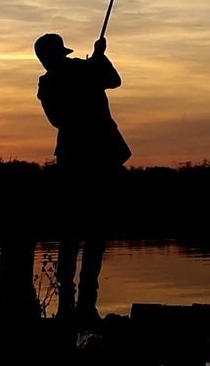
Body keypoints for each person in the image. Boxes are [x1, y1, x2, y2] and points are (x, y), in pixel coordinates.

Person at [34, 32, 130, 321]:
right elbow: (111, 81)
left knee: (79, 231)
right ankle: (80, 300)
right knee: (87, 232)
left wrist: (98, 58)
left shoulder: (51, 81)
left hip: (78, 159)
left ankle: (77, 300)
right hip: (93, 158)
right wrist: (97, 58)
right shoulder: (68, 74)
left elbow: (113, 81)